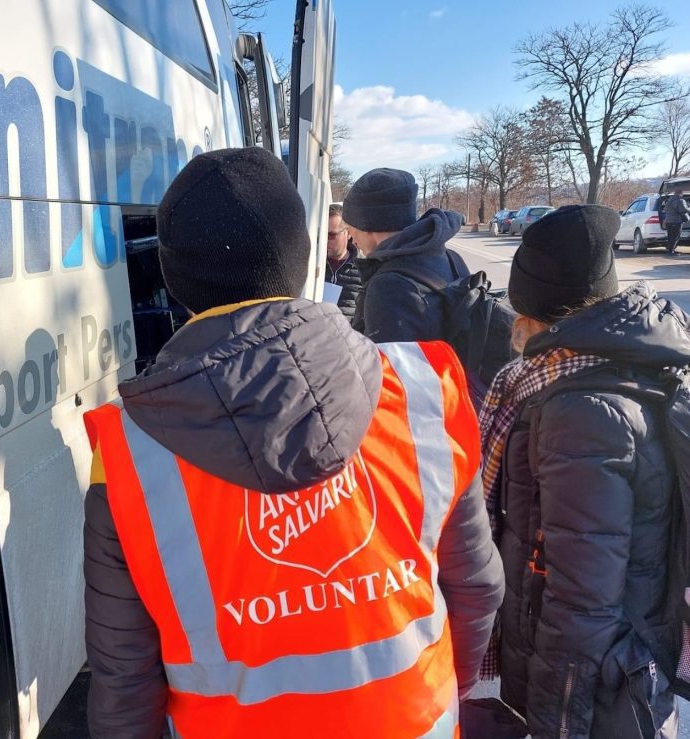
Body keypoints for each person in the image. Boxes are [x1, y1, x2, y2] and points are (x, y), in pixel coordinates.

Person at [82, 147, 504, 739]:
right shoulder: (423, 389)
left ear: (174, 282)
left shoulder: (130, 452)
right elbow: (477, 587)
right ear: (301, 256)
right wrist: (442, 695)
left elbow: (124, 680)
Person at [480, 204, 684, 738]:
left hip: (598, 683)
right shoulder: (637, 364)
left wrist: (559, 720)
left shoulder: (581, 410)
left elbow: (582, 599)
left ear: (530, 315)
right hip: (632, 652)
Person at [344, 168, 468, 342]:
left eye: (350, 227)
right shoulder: (452, 259)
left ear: (367, 224)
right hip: (457, 369)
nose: (351, 237)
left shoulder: (388, 286)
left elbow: (385, 366)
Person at [324, 203, 363, 321]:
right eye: (321, 234)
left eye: (331, 235)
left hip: (348, 336)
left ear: (348, 233)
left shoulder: (364, 268)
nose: (325, 240)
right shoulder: (312, 264)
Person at [663, 189, 688, 254]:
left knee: (670, 236)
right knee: (675, 237)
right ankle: (671, 251)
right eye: (682, 193)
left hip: (668, 221)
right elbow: (683, 210)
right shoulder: (680, 200)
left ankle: (670, 250)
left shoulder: (669, 200)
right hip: (676, 221)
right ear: (680, 193)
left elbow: (665, 209)